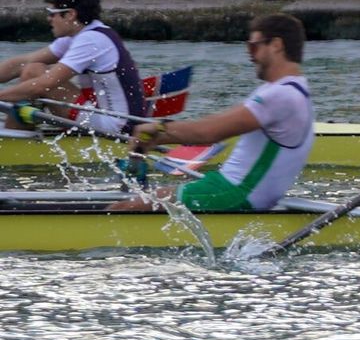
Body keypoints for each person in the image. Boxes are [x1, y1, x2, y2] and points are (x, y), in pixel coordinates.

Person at [113, 14, 314, 213]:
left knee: (123, 208)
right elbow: (215, 123)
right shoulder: (290, 89)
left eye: (253, 46)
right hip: (231, 189)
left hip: (236, 193)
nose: (250, 55)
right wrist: (157, 139)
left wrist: (158, 127)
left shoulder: (282, 95)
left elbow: (209, 133)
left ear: (276, 45)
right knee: (139, 201)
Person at [0, 0, 145, 134]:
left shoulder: (91, 40)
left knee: (35, 73)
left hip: (117, 127)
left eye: (51, 13)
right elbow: (20, 63)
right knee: (32, 67)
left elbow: (43, 85)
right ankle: (15, 134)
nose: (48, 19)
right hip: (99, 113)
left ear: (70, 15)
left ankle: (13, 137)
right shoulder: (77, 35)